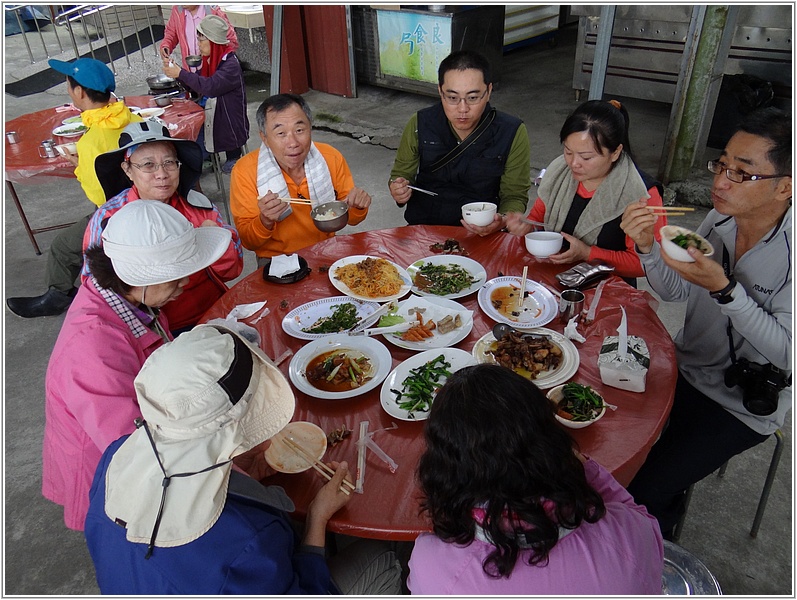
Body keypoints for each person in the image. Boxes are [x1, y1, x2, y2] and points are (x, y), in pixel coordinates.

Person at [84, 324, 403, 594]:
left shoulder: (114, 457)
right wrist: (317, 519)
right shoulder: (251, 536)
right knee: (384, 556)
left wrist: (242, 472)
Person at [619, 107, 792, 538]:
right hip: (684, 366)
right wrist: (646, 247)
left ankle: (650, 555)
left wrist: (726, 290)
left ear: (785, 187)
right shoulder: (719, 219)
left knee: (643, 489)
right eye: (723, 165)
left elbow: (789, 352)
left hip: (740, 403)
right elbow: (676, 292)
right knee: (602, 439)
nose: (721, 182)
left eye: (743, 174)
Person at [43, 201, 233, 531]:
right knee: (138, 533)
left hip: (135, 435)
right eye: (175, 277)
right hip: (108, 465)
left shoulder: (131, 298)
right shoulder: (92, 347)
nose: (185, 283)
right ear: (140, 276)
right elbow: (136, 446)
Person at [407, 364, 663, 595]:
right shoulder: (625, 540)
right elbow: (638, 516)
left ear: (445, 471)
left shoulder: (430, 566)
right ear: (551, 441)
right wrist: (582, 466)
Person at [6, 58, 140, 318]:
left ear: (79, 92)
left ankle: (58, 298)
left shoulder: (91, 141)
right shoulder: (128, 116)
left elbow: (98, 196)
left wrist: (80, 166)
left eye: (69, 85)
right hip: (139, 197)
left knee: (62, 247)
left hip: (118, 210)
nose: (69, 90)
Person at [83, 120, 243, 332]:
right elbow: (96, 287)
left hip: (215, 310)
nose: (161, 174)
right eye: (148, 165)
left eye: (169, 162)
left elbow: (232, 270)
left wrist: (211, 239)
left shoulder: (199, 205)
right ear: (128, 169)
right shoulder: (110, 219)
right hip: (151, 327)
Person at [505, 99, 666, 283]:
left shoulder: (641, 194)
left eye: (586, 157)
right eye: (568, 151)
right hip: (556, 277)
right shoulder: (559, 172)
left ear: (615, 152)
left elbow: (644, 264)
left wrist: (587, 253)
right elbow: (538, 220)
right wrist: (526, 227)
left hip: (608, 289)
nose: (574, 163)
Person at [388, 50, 530, 233]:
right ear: (440, 91)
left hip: (484, 233)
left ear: (488, 92)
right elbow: (400, 175)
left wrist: (503, 220)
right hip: (424, 231)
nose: (463, 109)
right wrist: (399, 190)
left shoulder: (512, 131)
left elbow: (514, 195)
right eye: (453, 98)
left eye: (472, 98)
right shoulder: (420, 123)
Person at [230, 94, 371, 265]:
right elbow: (248, 241)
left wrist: (357, 207)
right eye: (281, 133)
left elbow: (351, 218)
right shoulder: (245, 171)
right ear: (264, 138)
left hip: (325, 250)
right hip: (275, 259)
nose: (293, 142)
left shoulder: (330, 158)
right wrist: (264, 221)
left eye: (299, 130)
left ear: (310, 128)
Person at [163, 14, 249, 174]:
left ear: (214, 42)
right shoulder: (211, 61)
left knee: (193, 154)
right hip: (212, 115)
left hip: (228, 122)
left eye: (202, 40)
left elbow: (210, 87)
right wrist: (178, 76)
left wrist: (181, 73)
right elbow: (199, 87)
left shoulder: (230, 64)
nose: (199, 44)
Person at [159, 5, 238, 71]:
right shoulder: (177, 10)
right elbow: (171, 32)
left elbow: (231, 41)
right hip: (189, 70)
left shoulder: (213, 11)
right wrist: (166, 46)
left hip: (213, 71)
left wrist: (216, 57)